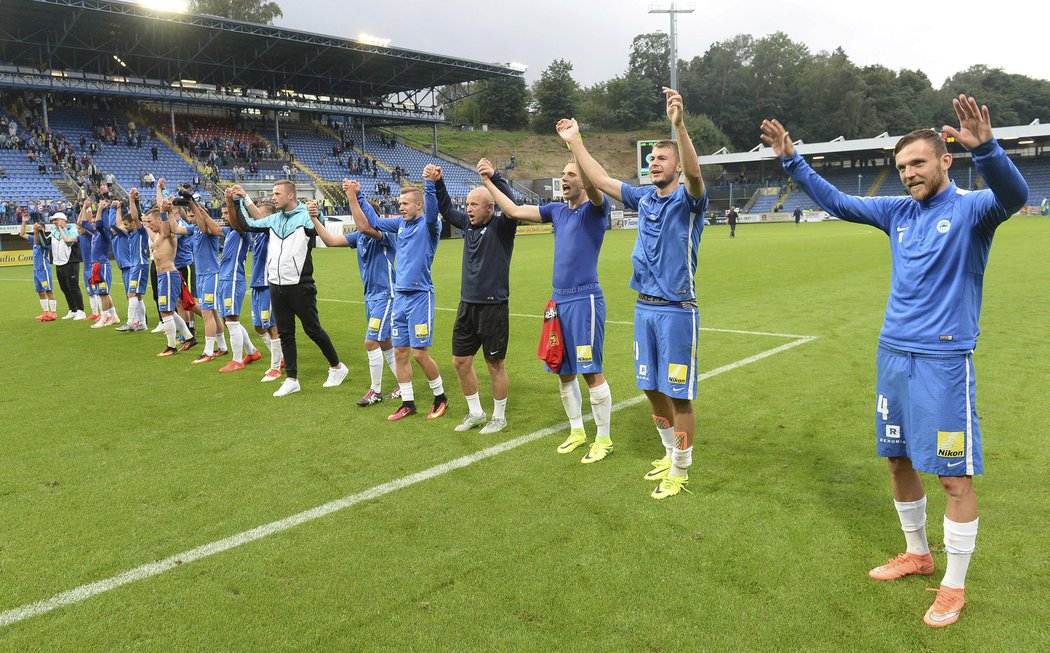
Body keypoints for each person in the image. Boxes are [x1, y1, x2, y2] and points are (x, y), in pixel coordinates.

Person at [759, 94, 1028, 628]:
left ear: (946, 161)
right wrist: (792, 160)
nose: (908, 174)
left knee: (954, 478)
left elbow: (1014, 194)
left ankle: (953, 586)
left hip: (944, 362)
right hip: (893, 356)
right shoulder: (896, 212)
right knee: (898, 460)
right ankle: (917, 554)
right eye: (902, 167)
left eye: (918, 163)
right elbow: (837, 201)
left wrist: (991, 149)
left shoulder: (973, 209)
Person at [560, 87, 708, 499]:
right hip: (644, 308)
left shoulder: (689, 199)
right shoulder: (643, 197)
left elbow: (696, 176)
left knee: (679, 396)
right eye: (651, 159)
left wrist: (678, 126)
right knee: (650, 388)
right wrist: (575, 141)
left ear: (676, 165)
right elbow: (602, 179)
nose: (653, 163)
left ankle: (680, 468)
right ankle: (667, 453)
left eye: (661, 158)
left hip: (679, 310)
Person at [483, 157, 614, 462]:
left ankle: (604, 439)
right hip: (559, 301)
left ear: (585, 179)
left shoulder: (595, 209)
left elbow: (597, 186)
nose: (564, 178)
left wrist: (575, 149)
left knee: (590, 371)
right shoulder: (556, 211)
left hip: (585, 300)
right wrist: (489, 181)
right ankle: (577, 431)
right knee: (563, 371)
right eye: (562, 173)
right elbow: (514, 211)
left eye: (572, 174)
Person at [351, 165, 448, 421]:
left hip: (420, 296)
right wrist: (359, 195)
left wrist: (429, 183)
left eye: (406, 203)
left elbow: (433, 211)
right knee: (400, 352)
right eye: (399, 203)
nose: (401, 207)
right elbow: (373, 222)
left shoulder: (429, 226)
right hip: (400, 299)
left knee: (419, 353)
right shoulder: (399, 225)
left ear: (419, 205)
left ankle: (440, 397)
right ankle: (407, 403)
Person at [235, 181, 349, 397]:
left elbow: (318, 225)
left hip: (300, 285)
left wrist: (317, 214)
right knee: (286, 334)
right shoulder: (274, 219)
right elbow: (247, 224)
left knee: (313, 330)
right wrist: (241, 199)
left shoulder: (305, 216)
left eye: (277, 193)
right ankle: (291, 379)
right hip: (276, 284)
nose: (273, 197)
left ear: (290, 196)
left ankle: (337, 367)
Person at [435, 159, 517, 435]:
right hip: (466, 305)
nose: (467, 209)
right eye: (467, 204)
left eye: (473, 204)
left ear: (490, 207)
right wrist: (438, 181)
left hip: (493, 307)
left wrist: (494, 178)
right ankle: (476, 413)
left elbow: (512, 203)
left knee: (494, 364)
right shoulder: (468, 226)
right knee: (460, 361)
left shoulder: (502, 226)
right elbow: (447, 209)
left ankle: (499, 417)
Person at [308, 179, 400, 405]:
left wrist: (351, 196)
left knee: (371, 342)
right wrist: (314, 219)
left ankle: (375, 391)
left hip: (386, 294)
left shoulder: (384, 234)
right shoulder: (360, 237)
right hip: (371, 296)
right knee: (385, 342)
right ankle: (403, 385)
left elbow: (366, 227)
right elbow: (329, 241)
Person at [225, 189, 284, 382]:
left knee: (271, 325)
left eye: (260, 213)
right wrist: (235, 203)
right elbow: (242, 222)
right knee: (259, 327)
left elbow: (256, 217)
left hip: (268, 283)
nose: (256, 216)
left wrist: (244, 199)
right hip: (257, 283)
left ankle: (276, 367)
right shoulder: (257, 233)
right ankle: (280, 357)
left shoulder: (270, 230)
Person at [170, 198, 228, 363]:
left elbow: (203, 225)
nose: (190, 218)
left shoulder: (208, 229)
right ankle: (222, 347)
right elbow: (175, 228)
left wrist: (193, 205)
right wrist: (169, 211)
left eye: (192, 215)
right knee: (213, 312)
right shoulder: (193, 229)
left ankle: (208, 351)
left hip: (211, 274)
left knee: (207, 313)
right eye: (189, 215)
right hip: (202, 275)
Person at [215, 189, 261, 372]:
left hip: (233, 279)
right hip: (226, 278)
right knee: (229, 319)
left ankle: (236, 360)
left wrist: (229, 201)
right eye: (223, 212)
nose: (224, 215)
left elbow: (236, 222)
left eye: (227, 211)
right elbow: (210, 227)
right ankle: (252, 351)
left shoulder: (241, 230)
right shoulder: (230, 231)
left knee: (232, 320)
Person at [79, 199, 121, 328]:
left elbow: (98, 222)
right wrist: (86, 207)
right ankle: (114, 317)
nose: (92, 223)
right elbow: (82, 222)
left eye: (94, 222)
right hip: (96, 265)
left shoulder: (104, 233)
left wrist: (100, 209)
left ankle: (103, 319)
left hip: (102, 265)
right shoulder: (96, 233)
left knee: (103, 293)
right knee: (103, 293)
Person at [113, 195, 151, 332]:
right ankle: (142, 323)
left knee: (131, 293)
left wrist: (131, 199)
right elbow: (118, 225)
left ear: (134, 223)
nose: (124, 227)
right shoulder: (130, 233)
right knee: (138, 295)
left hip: (139, 264)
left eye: (126, 224)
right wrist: (118, 209)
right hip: (137, 265)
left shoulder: (140, 232)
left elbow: (135, 216)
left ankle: (130, 322)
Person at [48, 211, 86, 320]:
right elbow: (45, 242)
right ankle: (73, 309)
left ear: (63, 220)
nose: (54, 222)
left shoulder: (72, 229)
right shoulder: (54, 232)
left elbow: (69, 242)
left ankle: (81, 310)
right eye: (54, 220)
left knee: (73, 287)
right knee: (64, 287)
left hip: (71, 261)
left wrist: (61, 228)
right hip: (58, 263)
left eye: (56, 220)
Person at [20, 215, 56, 321]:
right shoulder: (33, 239)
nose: (37, 228)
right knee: (40, 292)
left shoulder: (47, 240)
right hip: (36, 270)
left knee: (48, 290)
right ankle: (45, 312)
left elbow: (39, 241)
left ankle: (53, 312)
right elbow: (22, 234)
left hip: (44, 269)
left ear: (43, 229)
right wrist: (23, 222)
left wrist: (37, 231)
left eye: (40, 227)